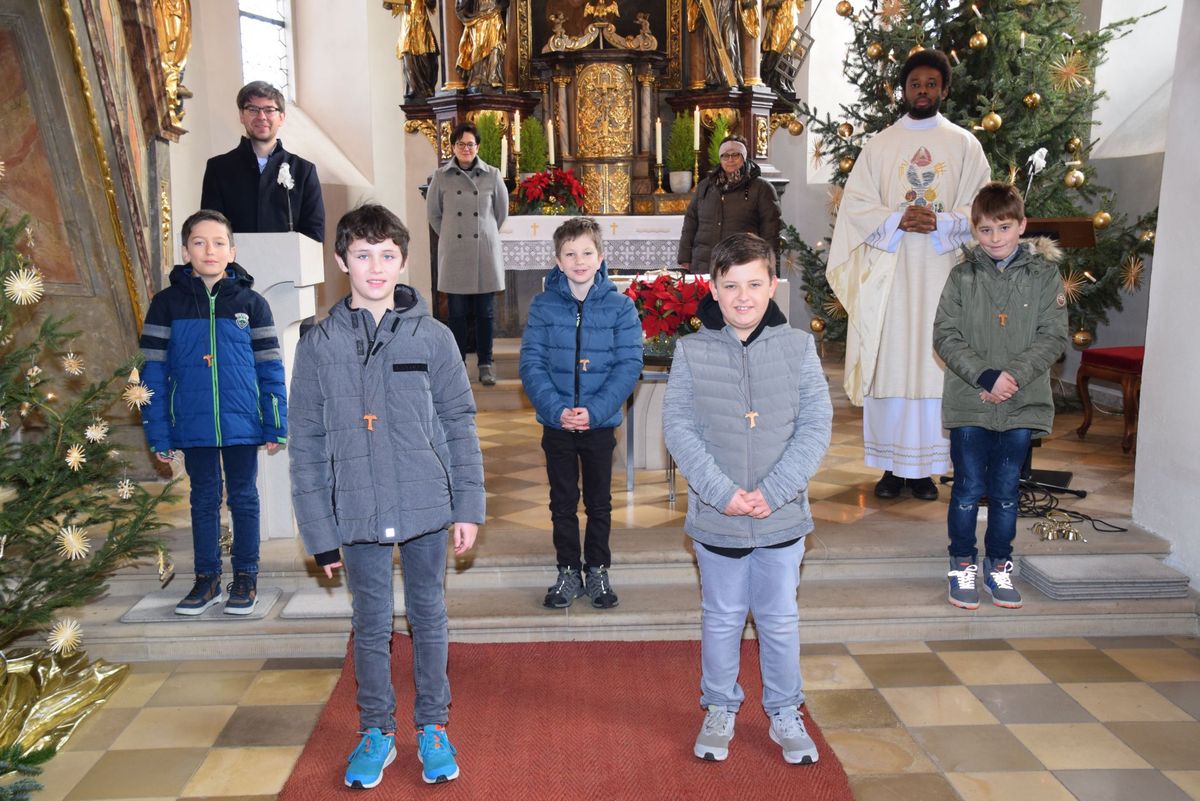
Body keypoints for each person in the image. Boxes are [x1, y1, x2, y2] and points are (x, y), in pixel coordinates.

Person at [288, 204, 484, 789]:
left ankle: (432, 726)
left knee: (429, 616)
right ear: (342, 259)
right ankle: (375, 730)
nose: (376, 267)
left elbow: (458, 421)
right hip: (355, 508)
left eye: (388, 256)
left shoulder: (435, 336)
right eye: (363, 255)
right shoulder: (319, 344)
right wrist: (319, 533)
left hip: (425, 504)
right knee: (370, 624)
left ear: (404, 260)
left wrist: (468, 503)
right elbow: (306, 442)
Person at [663, 232, 832, 766]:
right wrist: (720, 493)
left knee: (779, 619)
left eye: (754, 284)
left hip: (781, 516)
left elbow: (815, 426)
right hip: (720, 518)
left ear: (773, 285)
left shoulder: (800, 347)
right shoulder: (690, 352)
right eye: (730, 285)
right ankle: (719, 707)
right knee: (722, 618)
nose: (743, 297)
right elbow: (679, 428)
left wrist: (776, 491)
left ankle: (784, 711)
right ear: (712, 289)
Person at [826, 49, 991, 501]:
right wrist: (898, 218)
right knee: (891, 360)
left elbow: (982, 208)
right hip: (890, 274)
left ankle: (924, 471)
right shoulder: (880, 145)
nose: (923, 90)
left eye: (931, 84)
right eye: (915, 83)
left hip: (944, 270)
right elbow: (856, 205)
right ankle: (890, 469)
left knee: (933, 363)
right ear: (903, 89)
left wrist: (942, 221)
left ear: (944, 89)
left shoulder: (964, 145)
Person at [139, 210, 288, 616]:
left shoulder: (252, 304)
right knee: (203, 499)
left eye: (219, 242)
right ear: (186, 250)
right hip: (193, 422)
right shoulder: (165, 305)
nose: (210, 250)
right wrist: (159, 433)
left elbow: (271, 368)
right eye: (200, 243)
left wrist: (275, 422)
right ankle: (207, 580)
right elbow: (151, 371)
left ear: (232, 251)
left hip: (242, 422)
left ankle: (245, 577)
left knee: (243, 498)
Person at [933, 182, 1068, 610]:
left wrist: (1011, 377)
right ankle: (962, 563)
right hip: (971, 400)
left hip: (1021, 400)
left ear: (1022, 226)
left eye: (1004, 227)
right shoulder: (961, 276)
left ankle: (999, 566)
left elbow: (1053, 337)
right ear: (974, 230)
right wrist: (985, 376)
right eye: (986, 229)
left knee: (1008, 491)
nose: (995, 238)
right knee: (969, 489)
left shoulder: (1045, 276)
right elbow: (945, 335)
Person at [519, 217, 643, 609]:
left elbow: (629, 365)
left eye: (586, 252)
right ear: (557, 260)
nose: (579, 260)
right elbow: (531, 363)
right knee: (562, 501)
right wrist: (557, 410)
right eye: (570, 254)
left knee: (599, 501)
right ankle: (569, 570)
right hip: (557, 423)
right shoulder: (542, 306)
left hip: (599, 423)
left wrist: (594, 410)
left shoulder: (621, 308)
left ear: (601, 256)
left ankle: (599, 570)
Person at [426, 121, 509, 385]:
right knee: (457, 314)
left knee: (485, 312)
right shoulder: (440, 177)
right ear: (453, 146)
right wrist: (453, 234)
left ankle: (486, 363)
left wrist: (483, 234)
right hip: (455, 252)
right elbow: (434, 215)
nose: (465, 148)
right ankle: (457, 364)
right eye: (460, 144)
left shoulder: (493, 175)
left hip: (483, 252)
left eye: (470, 144)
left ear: (478, 147)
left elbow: (501, 213)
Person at [201, 81, 325, 242]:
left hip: (289, 264)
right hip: (234, 264)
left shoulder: (303, 171)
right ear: (241, 116)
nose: (261, 117)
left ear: (281, 117)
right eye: (253, 109)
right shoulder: (218, 168)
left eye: (269, 110)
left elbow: (314, 233)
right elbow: (210, 228)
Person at [678, 135, 782, 277]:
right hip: (705, 264)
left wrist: (769, 265)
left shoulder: (762, 188)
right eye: (725, 156)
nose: (730, 159)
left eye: (735, 155)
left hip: (743, 264)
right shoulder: (705, 186)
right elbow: (690, 222)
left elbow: (771, 232)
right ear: (720, 159)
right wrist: (685, 257)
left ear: (744, 157)